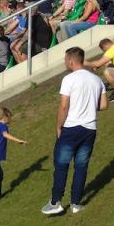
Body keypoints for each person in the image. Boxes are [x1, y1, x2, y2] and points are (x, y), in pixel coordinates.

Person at [42, 47, 108, 215]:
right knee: (81, 166)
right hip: (89, 129)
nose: (65, 63)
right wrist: (89, 109)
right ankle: (76, 203)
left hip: (71, 128)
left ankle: (56, 201)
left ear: (71, 61)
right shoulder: (97, 80)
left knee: (62, 164)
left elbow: (64, 106)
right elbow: (104, 105)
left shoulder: (69, 79)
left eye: (65, 60)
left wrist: (58, 126)